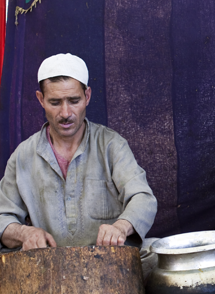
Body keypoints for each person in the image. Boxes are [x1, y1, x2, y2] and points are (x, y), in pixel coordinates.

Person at [0, 53, 157, 253]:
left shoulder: (111, 145)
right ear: (40, 99)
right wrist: (25, 234)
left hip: (110, 265)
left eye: (74, 101)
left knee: (158, 258)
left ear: (87, 96)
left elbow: (143, 198)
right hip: (49, 270)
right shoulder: (23, 156)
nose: (65, 113)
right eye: (55, 102)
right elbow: (2, 217)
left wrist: (120, 227)